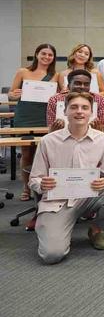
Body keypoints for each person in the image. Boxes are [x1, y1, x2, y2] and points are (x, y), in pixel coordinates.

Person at [30, 92, 104, 264]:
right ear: (65, 111)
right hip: (57, 202)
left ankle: (96, 230)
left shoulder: (103, 140)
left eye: (84, 108)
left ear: (91, 112)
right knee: (52, 255)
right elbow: (34, 179)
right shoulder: (48, 141)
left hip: (88, 197)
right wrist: (42, 184)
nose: (79, 112)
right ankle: (55, 227)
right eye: (73, 107)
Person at [9, 43, 61, 201]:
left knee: (44, 154)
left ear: (53, 58)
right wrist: (15, 94)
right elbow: (11, 95)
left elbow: (62, 95)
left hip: (45, 116)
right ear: (37, 54)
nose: (46, 57)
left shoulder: (57, 75)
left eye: (50, 55)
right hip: (26, 115)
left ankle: (43, 187)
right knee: (26, 153)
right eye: (43, 54)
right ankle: (26, 187)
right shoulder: (23, 71)